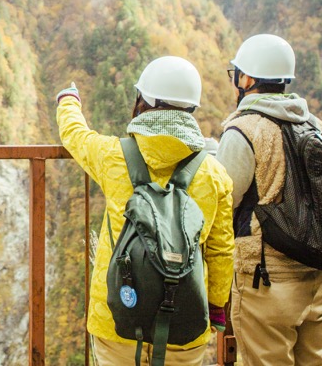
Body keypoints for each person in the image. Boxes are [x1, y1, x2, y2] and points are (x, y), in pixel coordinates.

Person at [56, 56, 235, 366]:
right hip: (185, 318)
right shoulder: (214, 173)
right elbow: (221, 251)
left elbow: (75, 135)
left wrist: (68, 101)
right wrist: (216, 306)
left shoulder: (115, 156)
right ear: (191, 109)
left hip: (118, 318)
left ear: (143, 101)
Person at [216, 33, 322, 365]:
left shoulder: (243, 130)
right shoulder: (315, 125)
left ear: (248, 78)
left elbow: (223, 200)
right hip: (318, 277)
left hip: (266, 280)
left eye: (236, 73)